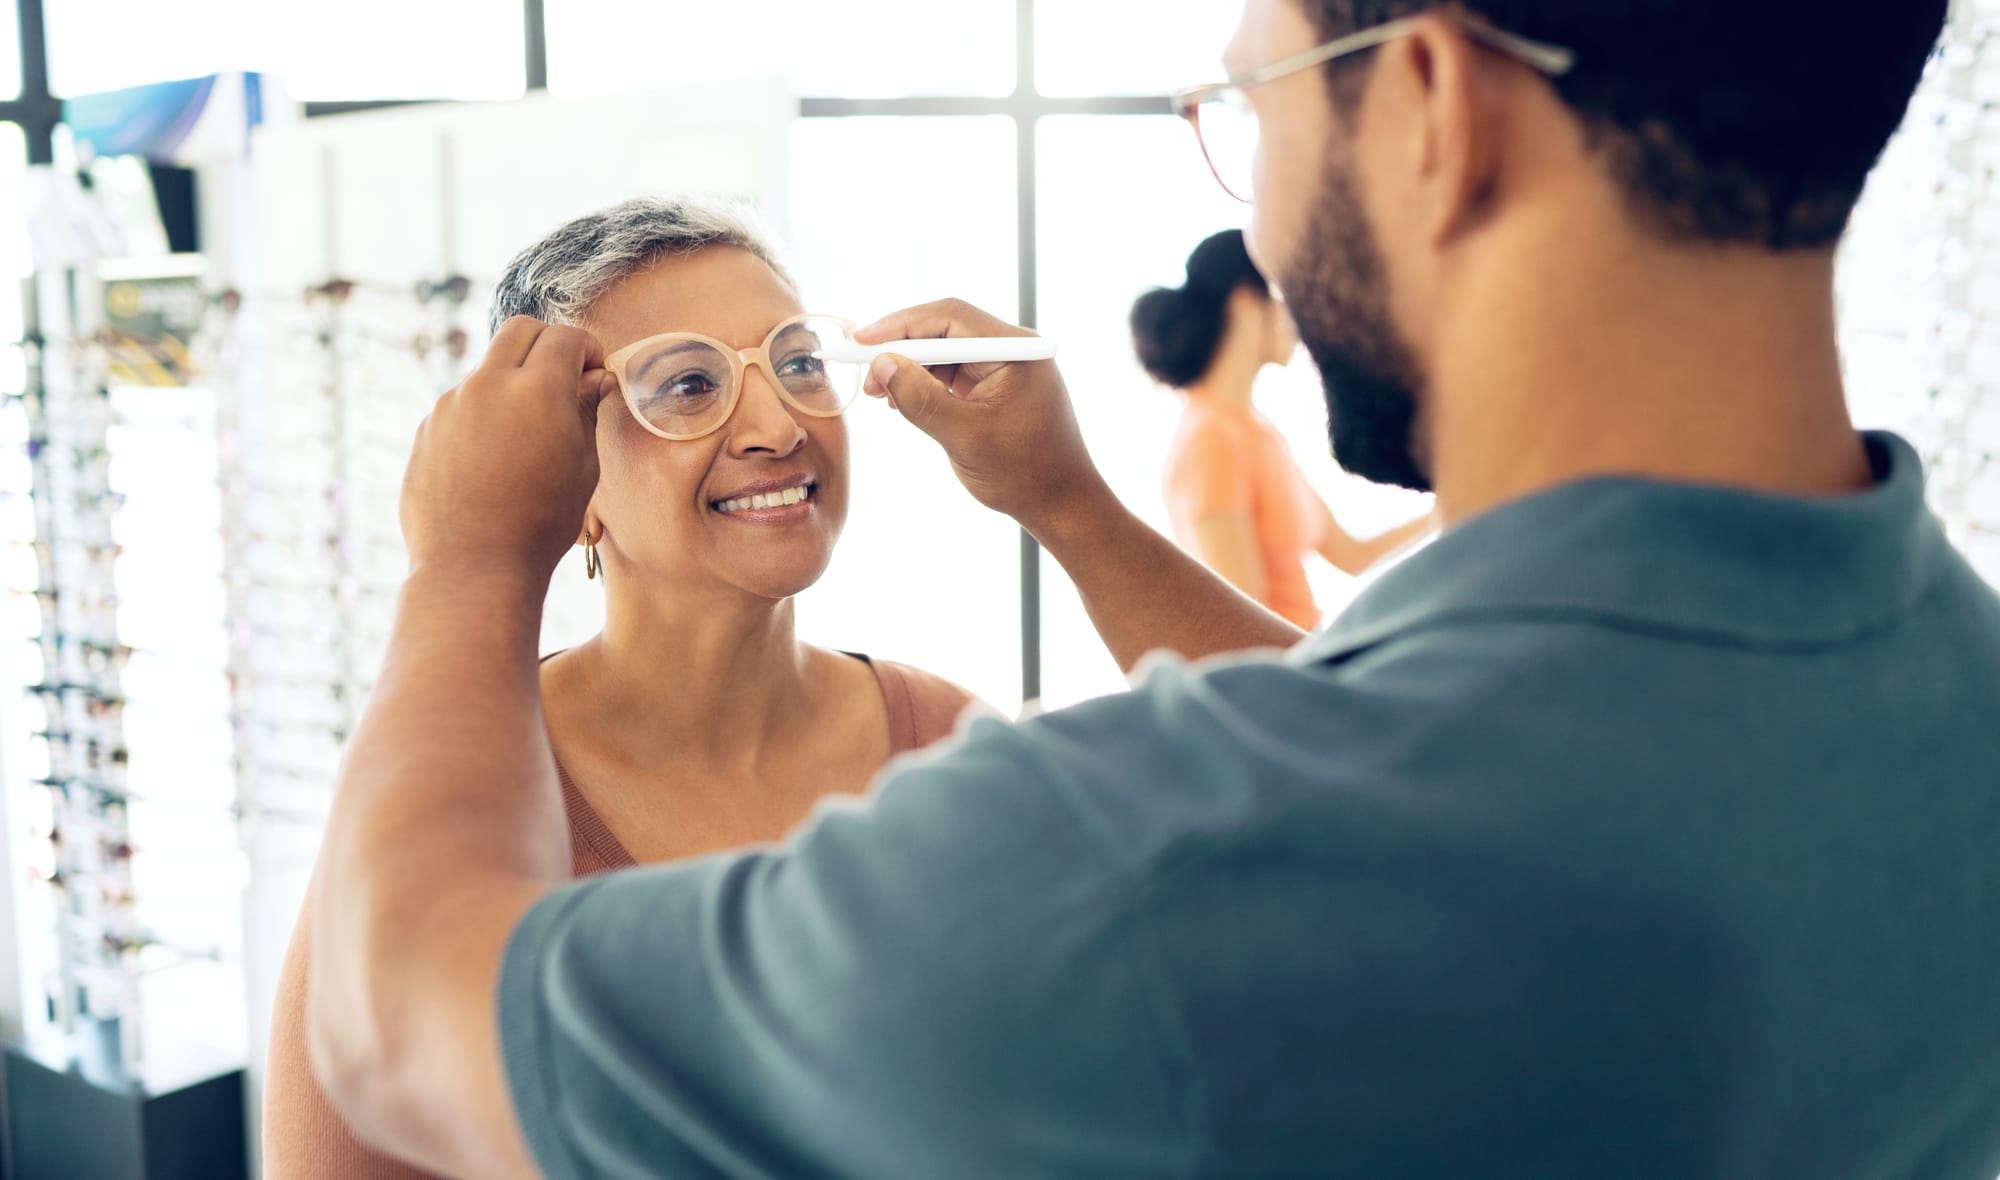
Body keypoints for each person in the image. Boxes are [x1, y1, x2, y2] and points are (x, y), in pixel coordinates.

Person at [304, 1, 2000, 1177]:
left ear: (1433, 105)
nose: (1248, 210)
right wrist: (1068, 503)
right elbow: (1379, 756)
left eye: (1250, 101)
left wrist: (468, 561)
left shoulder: (1104, 869)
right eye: (688, 385)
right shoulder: (1952, 696)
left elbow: (402, 1019)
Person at [259, 198, 980, 1178]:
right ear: (571, 482)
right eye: (687, 384)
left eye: (798, 362)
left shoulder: (953, 746)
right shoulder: (452, 810)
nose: (775, 425)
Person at [1134, 228, 1432, 627]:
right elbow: (1242, 627)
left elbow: (1352, 555)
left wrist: (1454, 508)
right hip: (1278, 676)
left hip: (1305, 656)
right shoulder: (1211, 440)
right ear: (1245, 303)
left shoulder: (1255, 430)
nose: (1297, 319)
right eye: (1283, 297)